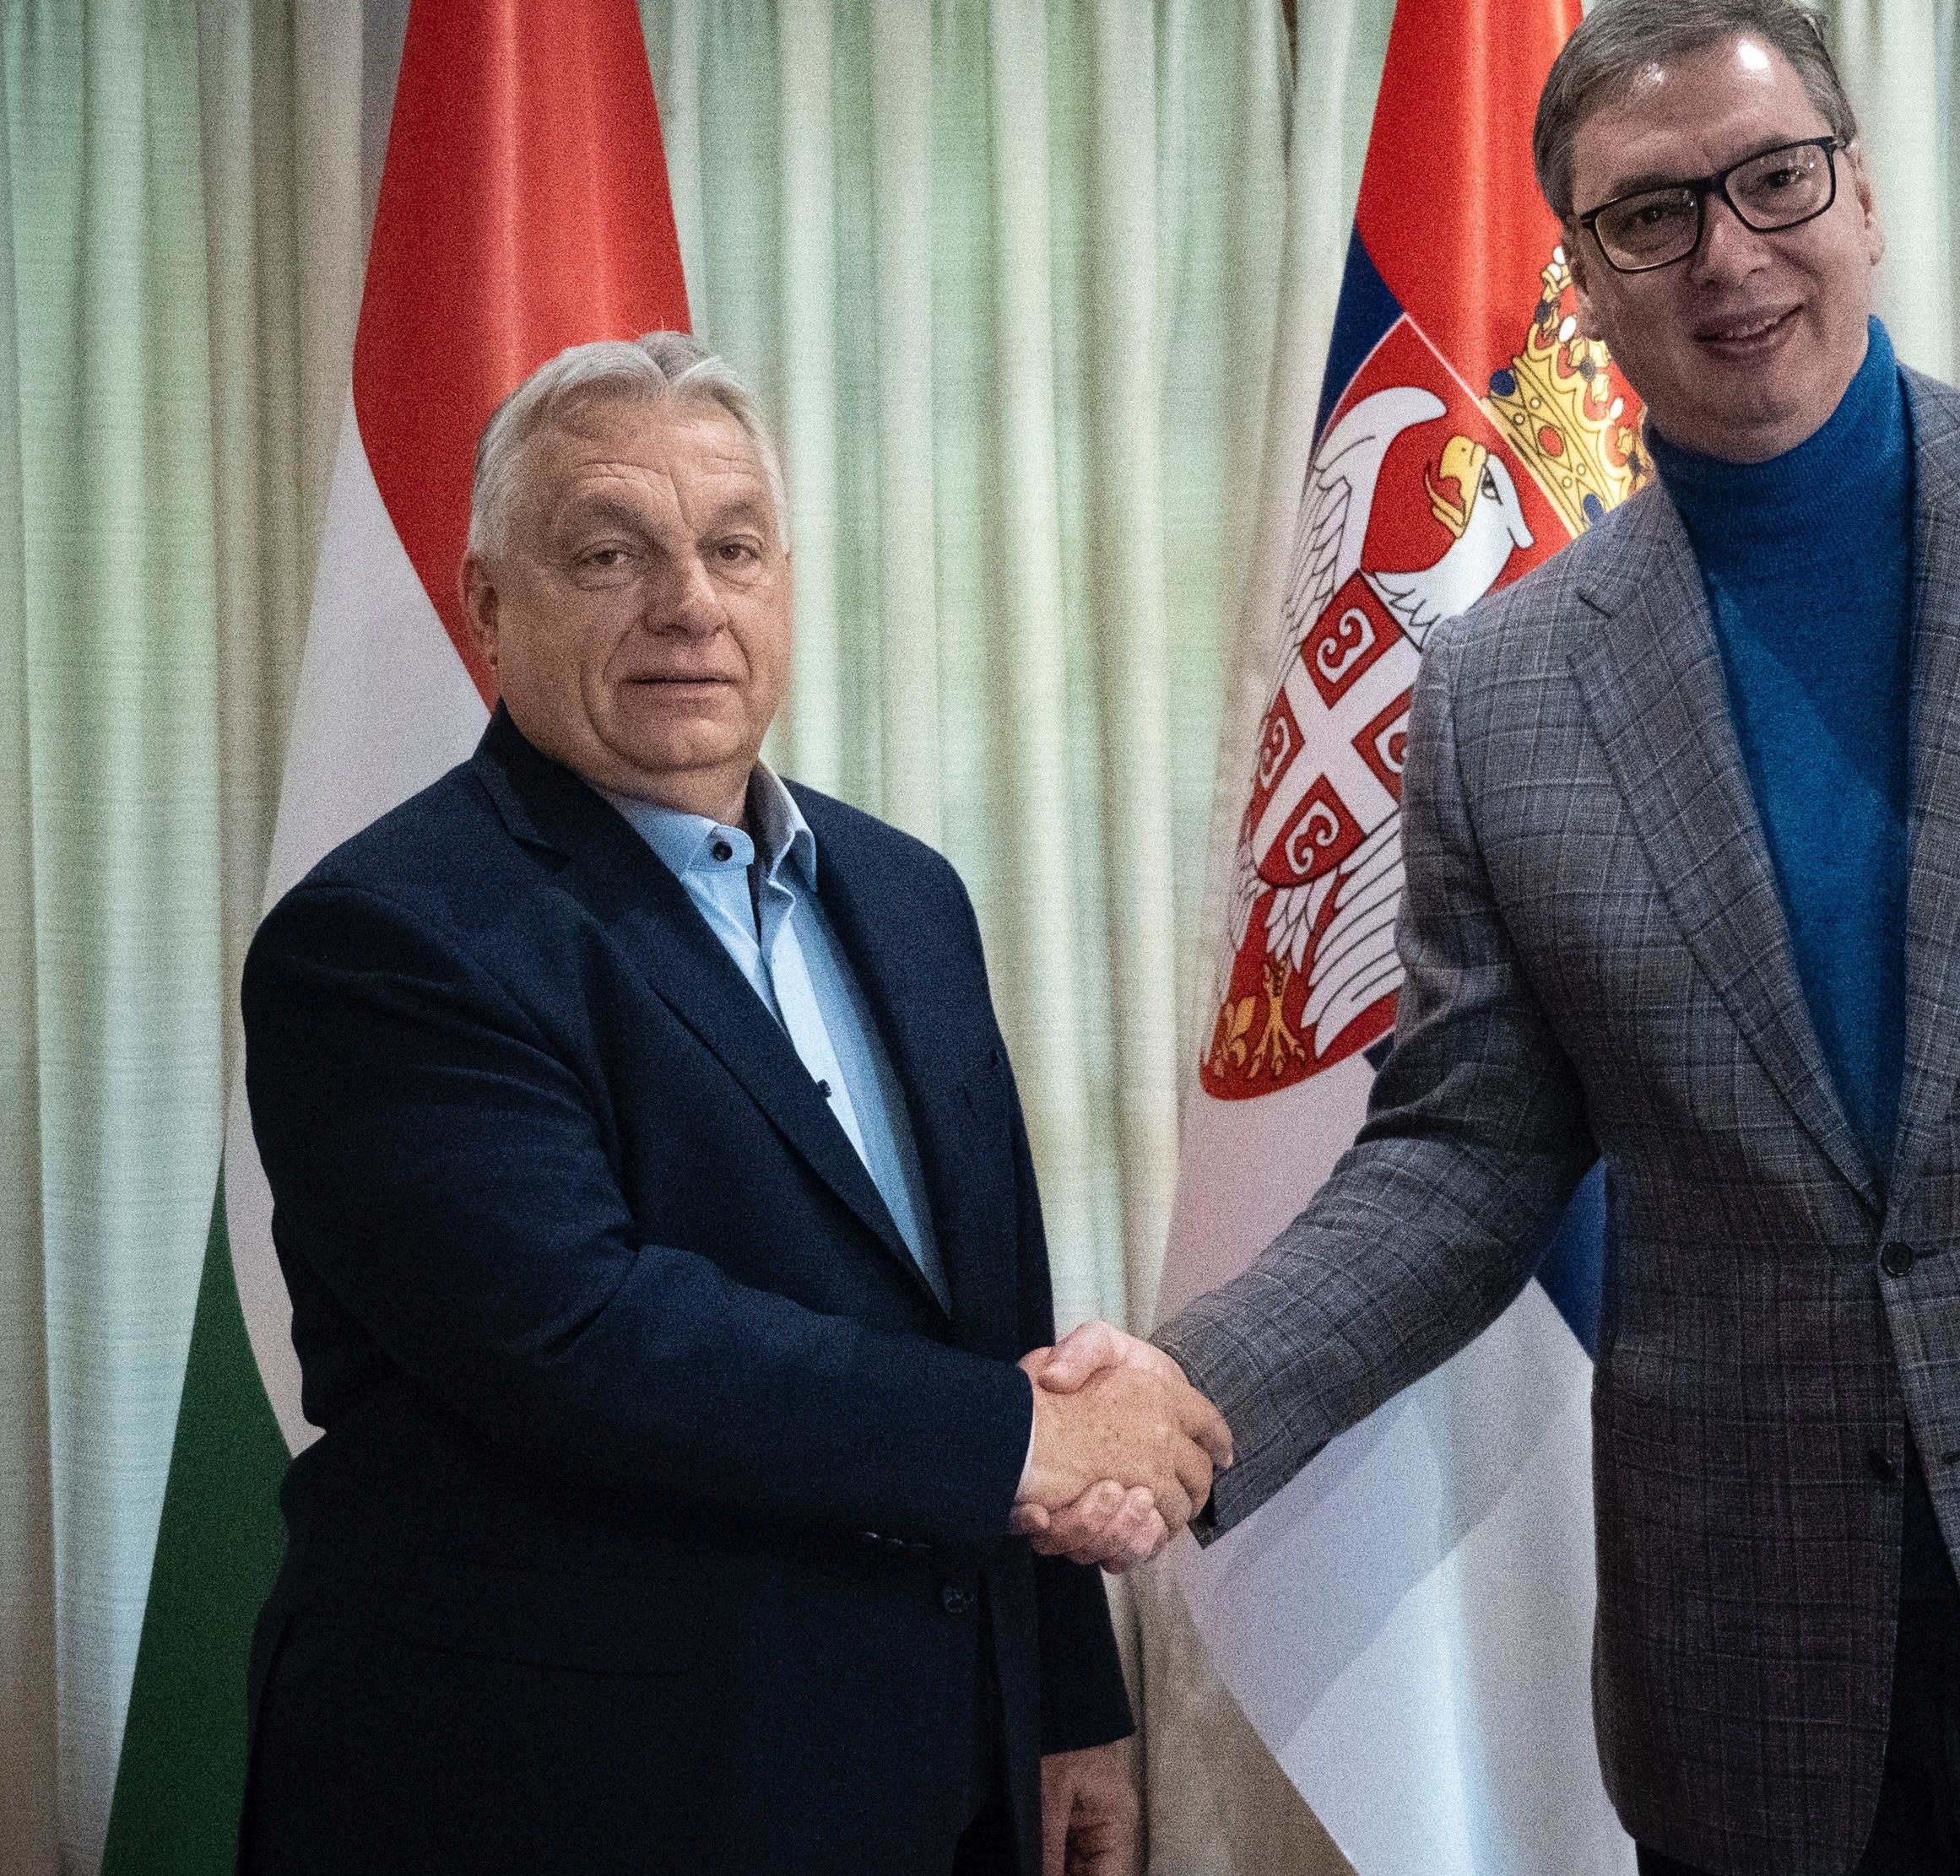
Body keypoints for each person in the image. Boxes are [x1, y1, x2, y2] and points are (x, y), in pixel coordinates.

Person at [1029, 0, 1960, 1873]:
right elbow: (1466, 1154)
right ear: (1583, 280)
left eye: (1773, 179)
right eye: (1650, 215)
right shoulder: (1499, 691)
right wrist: (1190, 1386)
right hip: (1768, 1701)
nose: (1727, 255)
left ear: (1861, 195)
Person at [236, 333, 1226, 1876]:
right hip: (577, 1794)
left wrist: (1064, 1696)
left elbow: (988, 1310)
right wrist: (1029, 1435)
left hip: (934, 1766)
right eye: (610, 552)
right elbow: (584, 1334)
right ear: (487, 604)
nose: (688, 602)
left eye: (734, 547)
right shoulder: (389, 937)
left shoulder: (907, 894)